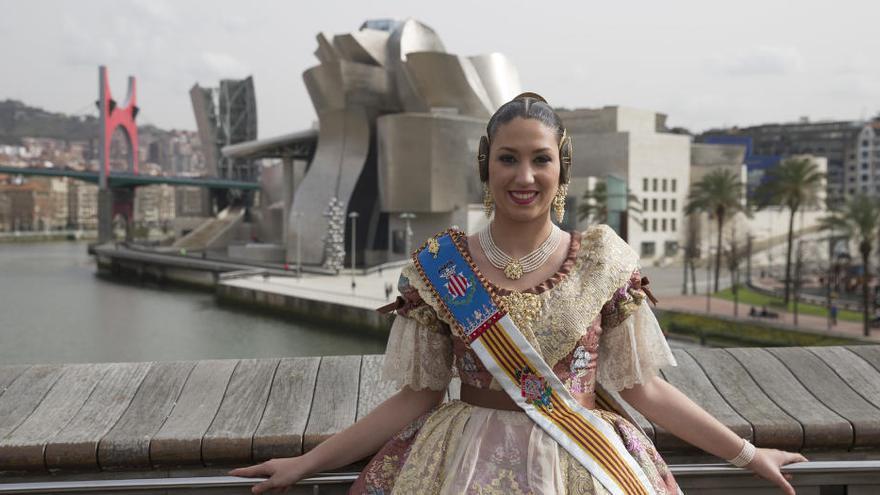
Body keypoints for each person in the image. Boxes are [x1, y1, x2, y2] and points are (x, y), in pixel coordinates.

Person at [230, 93, 806, 494]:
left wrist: (750, 457)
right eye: (508, 158)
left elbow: (645, 390)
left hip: (582, 459)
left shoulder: (603, 259)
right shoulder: (441, 268)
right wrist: (305, 465)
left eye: (540, 159)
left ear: (562, 169)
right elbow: (414, 399)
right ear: (487, 166)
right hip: (459, 463)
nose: (523, 176)